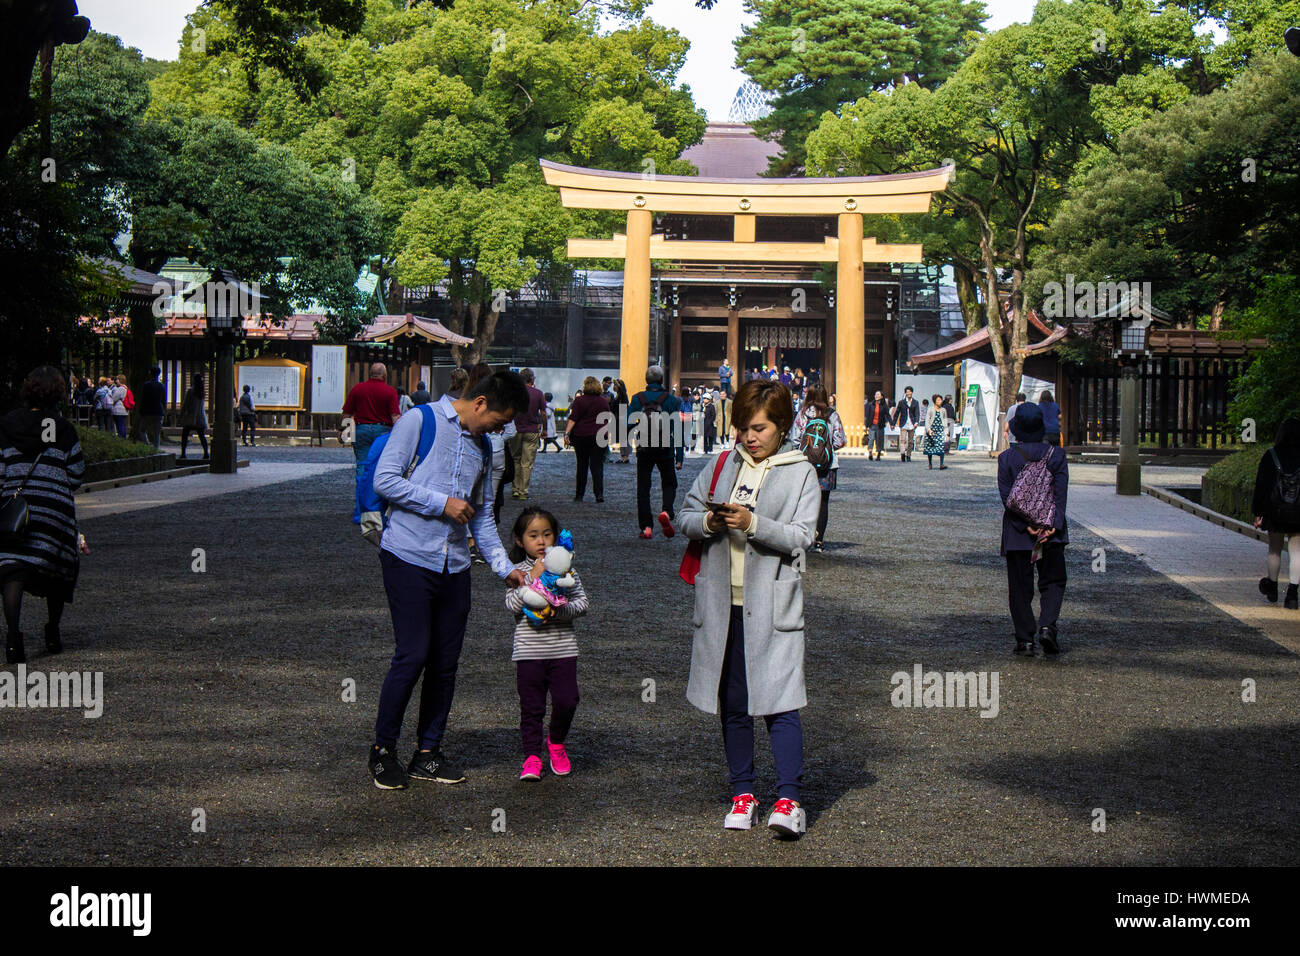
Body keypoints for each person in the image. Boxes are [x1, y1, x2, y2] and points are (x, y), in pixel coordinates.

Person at [367, 369, 530, 791]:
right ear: (479, 404)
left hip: (455, 566)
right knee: (412, 654)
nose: (498, 430)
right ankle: (384, 750)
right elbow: (384, 481)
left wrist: (505, 568)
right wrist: (441, 504)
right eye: (497, 421)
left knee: (445, 663)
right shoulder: (418, 421)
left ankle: (428, 752)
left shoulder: (486, 447)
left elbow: (482, 517)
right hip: (408, 555)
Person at [678, 378, 820, 838]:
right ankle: (743, 792)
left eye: (758, 427)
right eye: (743, 427)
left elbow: (802, 537)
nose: (749, 437)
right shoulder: (721, 465)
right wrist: (708, 520)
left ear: (782, 426)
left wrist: (754, 523)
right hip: (724, 603)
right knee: (733, 703)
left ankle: (789, 799)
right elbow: (685, 517)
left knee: (780, 703)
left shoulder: (801, 472)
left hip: (773, 603)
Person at [1, 366, 86, 663]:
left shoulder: (7, 424)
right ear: (58, 393)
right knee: (56, 565)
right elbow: (75, 474)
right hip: (53, 509)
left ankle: (13, 639)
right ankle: (52, 631)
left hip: (17, 507)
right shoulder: (62, 428)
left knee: (12, 567)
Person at [503, 508, 588, 780]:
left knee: (567, 700)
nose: (541, 541)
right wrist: (532, 578)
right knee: (532, 706)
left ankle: (556, 742)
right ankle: (531, 756)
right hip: (529, 651)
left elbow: (582, 603)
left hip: (563, 648)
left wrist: (558, 610)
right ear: (520, 540)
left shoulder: (566, 568)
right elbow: (512, 605)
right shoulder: (517, 572)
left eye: (547, 534)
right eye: (533, 535)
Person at [997, 403, 1068, 656]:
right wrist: (1053, 525)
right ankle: (1047, 626)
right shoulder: (1057, 456)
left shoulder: (1006, 459)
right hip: (1051, 532)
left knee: (1019, 587)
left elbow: (1008, 498)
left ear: (1016, 429)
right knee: (1053, 581)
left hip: (1019, 533)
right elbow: (1060, 495)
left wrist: (1026, 524)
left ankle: (1025, 640)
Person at [790, 384, 846, 553]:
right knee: (822, 502)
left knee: (803, 501)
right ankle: (819, 541)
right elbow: (841, 440)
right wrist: (826, 450)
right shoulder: (832, 415)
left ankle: (803, 538)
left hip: (804, 463)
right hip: (827, 465)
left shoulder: (803, 414)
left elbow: (794, 438)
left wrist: (806, 450)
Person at [627, 365, 682, 539]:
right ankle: (666, 511)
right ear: (661, 380)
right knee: (669, 482)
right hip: (665, 448)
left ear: (646, 380)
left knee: (643, 487)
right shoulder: (671, 400)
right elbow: (678, 430)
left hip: (644, 448)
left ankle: (646, 528)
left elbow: (627, 423)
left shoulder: (638, 398)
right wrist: (679, 456)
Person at [1253, 417, 1300, 609]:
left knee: (1274, 549)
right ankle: (1292, 594)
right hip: (1299, 510)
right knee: (1297, 551)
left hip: (1275, 509)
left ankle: (1272, 586)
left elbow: (1261, 486)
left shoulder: (1271, 455)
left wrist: (1258, 512)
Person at [342, 363, 400, 483]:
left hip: (360, 430)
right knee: (381, 463)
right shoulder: (390, 391)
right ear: (384, 375)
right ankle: (377, 496)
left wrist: (342, 431)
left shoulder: (358, 389)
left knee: (362, 463)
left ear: (370, 374)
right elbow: (395, 416)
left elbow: (347, 413)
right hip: (383, 431)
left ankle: (361, 494)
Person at [564, 377, 608, 502]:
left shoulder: (579, 401)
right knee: (597, 466)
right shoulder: (603, 401)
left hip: (581, 436)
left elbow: (573, 418)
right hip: (598, 436)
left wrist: (567, 433)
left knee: (582, 466)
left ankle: (579, 495)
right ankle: (599, 494)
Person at [506, 368, 546, 500]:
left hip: (515, 430)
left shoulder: (513, 393)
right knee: (527, 463)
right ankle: (524, 491)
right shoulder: (538, 393)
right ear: (531, 379)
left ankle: (515, 488)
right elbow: (543, 413)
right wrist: (545, 429)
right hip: (532, 430)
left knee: (516, 459)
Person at [178, 373, 209, 460]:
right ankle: (206, 453)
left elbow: (185, 404)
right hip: (200, 416)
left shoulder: (190, 391)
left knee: (185, 435)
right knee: (202, 436)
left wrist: (181, 415)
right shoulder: (202, 392)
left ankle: (183, 453)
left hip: (190, 416)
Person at [137, 366, 166, 449]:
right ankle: (156, 449)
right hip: (159, 411)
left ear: (150, 373)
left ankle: (147, 445)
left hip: (147, 411)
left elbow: (143, 399)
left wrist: (141, 410)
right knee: (157, 433)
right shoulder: (161, 386)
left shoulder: (146, 385)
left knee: (142, 430)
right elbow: (163, 400)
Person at [923, 393, 949, 470]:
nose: (940, 401)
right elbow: (927, 421)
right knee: (930, 447)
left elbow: (945, 420)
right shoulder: (930, 409)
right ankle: (930, 464)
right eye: (938, 400)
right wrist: (928, 430)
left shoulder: (943, 410)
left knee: (941, 447)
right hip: (932, 430)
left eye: (940, 400)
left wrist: (946, 432)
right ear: (935, 401)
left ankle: (941, 464)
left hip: (940, 430)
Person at [893, 386, 921, 461]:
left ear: (912, 392)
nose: (908, 393)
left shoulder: (915, 402)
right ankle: (902, 453)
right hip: (903, 423)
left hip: (912, 424)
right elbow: (897, 413)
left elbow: (917, 413)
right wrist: (893, 423)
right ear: (905, 393)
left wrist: (916, 422)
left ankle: (908, 455)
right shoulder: (901, 402)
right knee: (902, 440)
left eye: (910, 391)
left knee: (911, 441)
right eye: (907, 392)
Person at [866, 390, 890, 461]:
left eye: (878, 394)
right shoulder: (871, 405)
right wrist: (866, 425)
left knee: (879, 440)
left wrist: (891, 423)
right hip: (872, 424)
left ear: (881, 396)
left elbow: (887, 415)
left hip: (880, 425)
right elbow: (868, 415)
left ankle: (878, 454)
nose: (876, 396)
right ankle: (870, 453)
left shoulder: (884, 406)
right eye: (876, 394)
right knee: (871, 439)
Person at [676, 385, 695, 469]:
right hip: (687, 419)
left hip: (681, 420)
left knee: (680, 439)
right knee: (685, 437)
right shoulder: (689, 400)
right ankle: (681, 457)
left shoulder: (679, 399)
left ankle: (679, 459)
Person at [613, 379, 631, 463]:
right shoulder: (618, 395)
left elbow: (622, 391)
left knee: (624, 438)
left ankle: (625, 457)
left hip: (623, 418)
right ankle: (623, 456)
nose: (614, 387)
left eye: (616, 385)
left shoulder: (623, 394)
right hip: (619, 419)